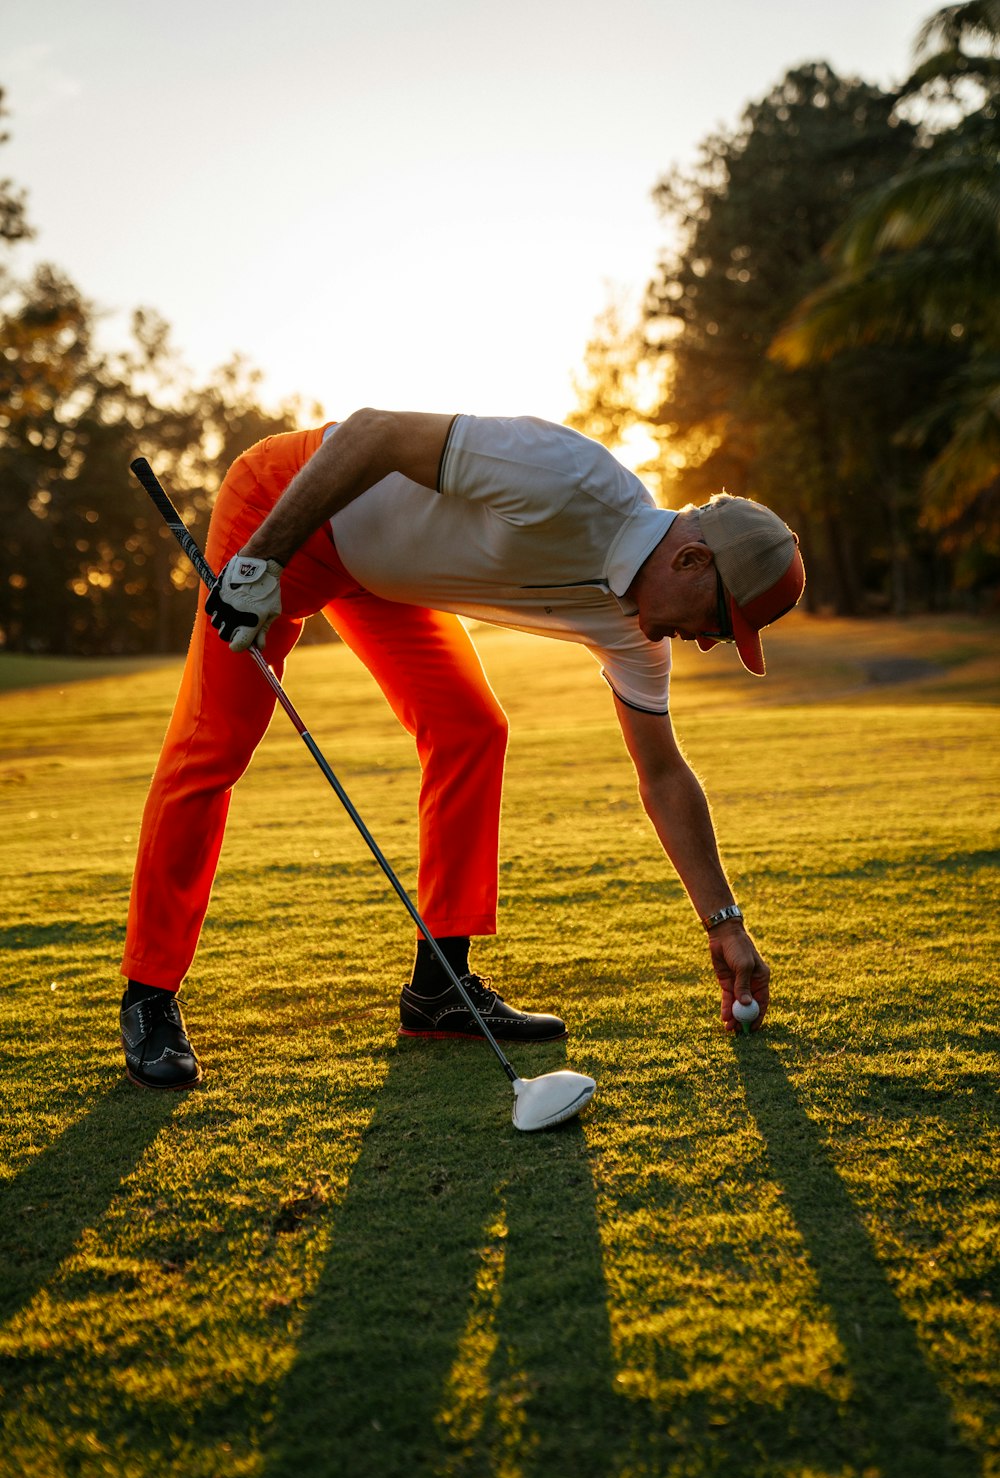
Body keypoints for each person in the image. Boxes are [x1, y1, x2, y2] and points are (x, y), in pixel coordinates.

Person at [120, 409, 805, 1090]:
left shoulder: (638, 634)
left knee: (471, 728)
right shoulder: (570, 479)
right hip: (291, 504)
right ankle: (148, 995)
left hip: (384, 576)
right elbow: (371, 435)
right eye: (721, 619)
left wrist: (725, 923)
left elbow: (664, 775)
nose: (711, 640)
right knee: (215, 742)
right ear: (691, 559)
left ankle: (438, 988)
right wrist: (257, 564)